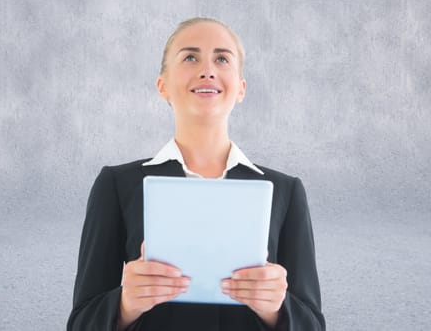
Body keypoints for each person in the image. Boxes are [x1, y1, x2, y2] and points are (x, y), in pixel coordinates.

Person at [67, 17, 325, 331]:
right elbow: (81, 322)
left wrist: (276, 308)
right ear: (162, 86)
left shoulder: (285, 192)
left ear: (241, 88)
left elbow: (312, 324)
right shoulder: (117, 186)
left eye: (222, 58)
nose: (207, 69)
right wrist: (124, 305)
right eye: (190, 57)